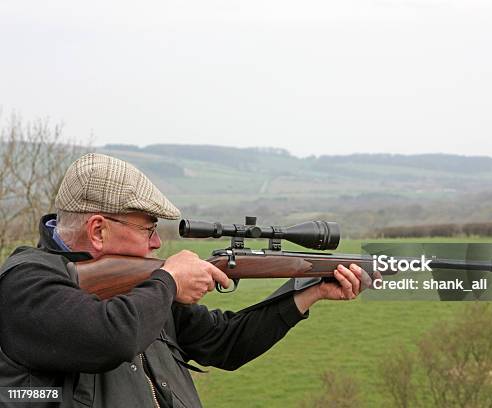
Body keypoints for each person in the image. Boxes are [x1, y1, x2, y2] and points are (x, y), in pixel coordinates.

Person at [0, 153, 367, 408]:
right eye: (148, 228)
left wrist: (308, 292)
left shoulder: (144, 289)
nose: (157, 242)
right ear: (98, 231)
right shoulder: (26, 284)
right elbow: (111, 337)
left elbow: (225, 343)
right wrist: (169, 281)